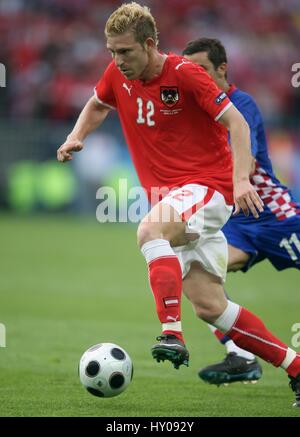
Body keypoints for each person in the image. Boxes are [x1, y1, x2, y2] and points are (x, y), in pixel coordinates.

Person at [56, 2, 300, 406]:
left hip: (209, 186)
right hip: (172, 196)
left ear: (149, 44)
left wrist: (240, 181)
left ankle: (171, 332)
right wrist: (75, 135)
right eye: (112, 52)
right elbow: (98, 103)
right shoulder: (117, 74)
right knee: (211, 307)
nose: (118, 60)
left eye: (125, 52)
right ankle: (295, 367)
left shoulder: (185, 74)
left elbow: (236, 123)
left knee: (150, 231)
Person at [182, 38, 300, 389]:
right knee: (193, 276)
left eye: (202, 70)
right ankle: (242, 355)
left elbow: (243, 163)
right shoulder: (195, 111)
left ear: (222, 69)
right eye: (190, 73)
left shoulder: (239, 104)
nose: (196, 79)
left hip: (276, 217)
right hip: (238, 226)